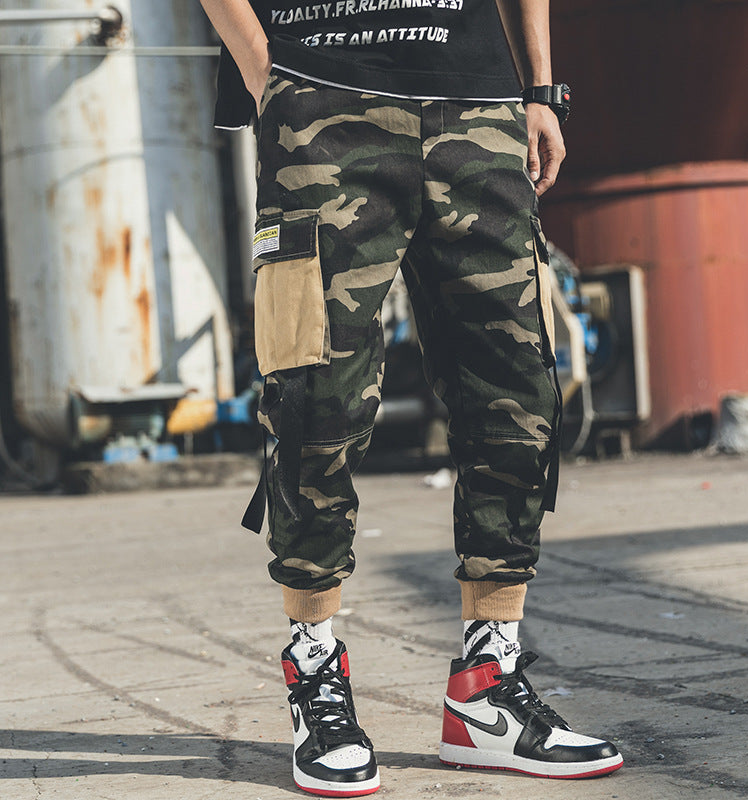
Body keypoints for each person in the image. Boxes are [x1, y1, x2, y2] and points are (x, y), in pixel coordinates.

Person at [198, 0, 623, 795]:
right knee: (316, 401)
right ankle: (315, 669)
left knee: (518, 394)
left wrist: (540, 89)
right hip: (323, 93)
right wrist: (264, 70)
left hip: (478, 97)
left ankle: (487, 688)